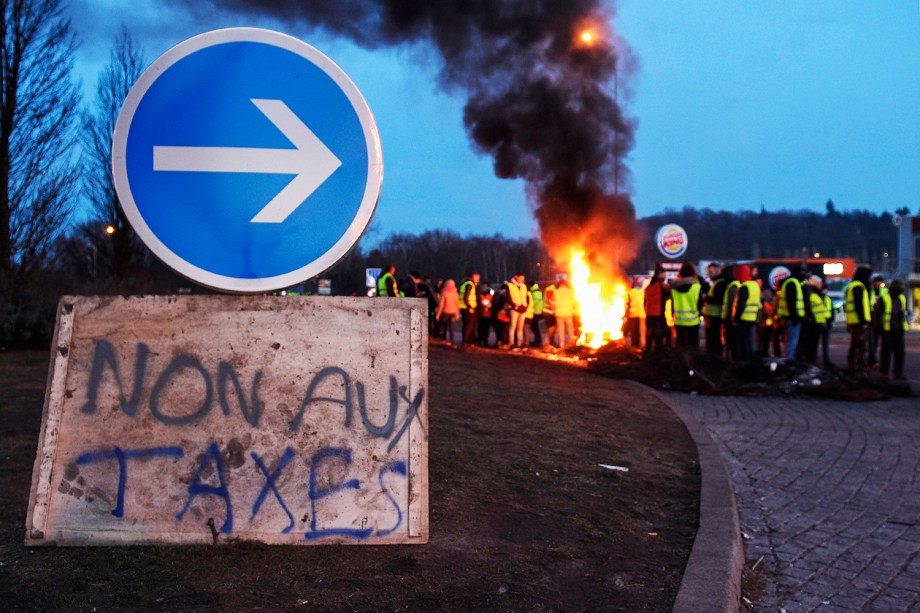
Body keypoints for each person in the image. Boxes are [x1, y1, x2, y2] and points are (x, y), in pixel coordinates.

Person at [876, 278, 909, 380]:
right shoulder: (884, 298)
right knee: (886, 353)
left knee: (900, 352)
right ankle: (883, 373)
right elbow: (878, 314)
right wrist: (880, 327)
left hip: (899, 330)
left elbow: (903, 313)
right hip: (887, 330)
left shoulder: (902, 298)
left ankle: (897, 373)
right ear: (894, 288)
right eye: (899, 288)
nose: (901, 290)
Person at [844, 265, 872, 372]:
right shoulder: (859, 287)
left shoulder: (852, 286)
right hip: (858, 321)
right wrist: (863, 321)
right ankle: (861, 369)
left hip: (853, 320)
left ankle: (852, 366)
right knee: (862, 346)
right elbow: (859, 305)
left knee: (855, 345)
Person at [670, 262, 702, 351]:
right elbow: (700, 305)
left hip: (679, 321)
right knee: (693, 346)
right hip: (693, 322)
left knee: (680, 346)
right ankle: (693, 362)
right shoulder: (697, 287)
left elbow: (672, 305)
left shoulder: (673, 288)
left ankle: (681, 363)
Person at [732, 264, 761, 359]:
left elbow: (741, 305)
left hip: (743, 319)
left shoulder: (744, 286)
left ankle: (744, 363)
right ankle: (750, 361)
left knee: (743, 342)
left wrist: (736, 319)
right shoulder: (755, 285)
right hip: (753, 319)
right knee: (750, 341)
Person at [777, 268, 806, 359]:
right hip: (791, 318)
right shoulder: (792, 283)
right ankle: (789, 364)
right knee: (791, 343)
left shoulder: (789, 282)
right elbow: (792, 302)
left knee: (789, 342)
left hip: (787, 317)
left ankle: (788, 362)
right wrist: (795, 317)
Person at [800, 275, 829, 364]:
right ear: (815, 284)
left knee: (814, 345)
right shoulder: (811, 294)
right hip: (812, 323)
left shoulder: (817, 294)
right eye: (820, 283)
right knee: (811, 344)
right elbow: (808, 307)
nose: (821, 285)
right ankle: (809, 362)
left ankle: (811, 361)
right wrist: (812, 317)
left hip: (818, 322)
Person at [644, 265, 671, 354]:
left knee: (649, 336)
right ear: (660, 274)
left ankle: (647, 355)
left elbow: (644, 303)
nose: (665, 276)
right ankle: (658, 355)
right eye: (664, 274)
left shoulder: (648, 288)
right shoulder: (662, 286)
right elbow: (669, 293)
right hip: (658, 316)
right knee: (661, 336)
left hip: (649, 316)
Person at [702, 262, 726, 356]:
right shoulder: (716, 283)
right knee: (713, 340)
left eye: (711, 272)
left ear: (718, 270)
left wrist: (705, 297)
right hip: (712, 317)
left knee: (714, 340)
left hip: (715, 317)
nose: (709, 274)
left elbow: (717, 299)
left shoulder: (720, 283)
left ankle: (715, 358)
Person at [506, 273, 531, 350]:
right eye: (521, 278)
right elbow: (508, 297)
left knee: (520, 327)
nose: (522, 279)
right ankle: (511, 343)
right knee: (513, 326)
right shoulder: (510, 285)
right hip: (515, 309)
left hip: (523, 308)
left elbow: (527, 296)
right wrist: (514, 306)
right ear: (516, 277)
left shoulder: (524, 286)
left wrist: (526, 306)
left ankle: (519, 343)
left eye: (523, 278)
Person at [867, 274, 886, 369]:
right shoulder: (869, 292)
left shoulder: (885, 292)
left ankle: (875, 361)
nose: (879, 284)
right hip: (871, 320)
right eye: (878, 282)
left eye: (881, 282)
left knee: (877, 342)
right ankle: (872, 361)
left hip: (881, 321)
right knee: (871, 342)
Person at [721, 268, 741, 360]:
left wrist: (728, 318)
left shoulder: (733, 287)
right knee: (731, 342)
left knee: (732, 342)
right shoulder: (733, 286)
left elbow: (730, 305)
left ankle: (733, 360)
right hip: (730, 319)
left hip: (729, 320)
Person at [435, 279, 460, 344]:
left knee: (442, 326)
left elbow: (441, 304)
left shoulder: (444, 292)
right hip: (453, 312)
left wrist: (438, 314)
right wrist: (457, 314)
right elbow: (457, 304)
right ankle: (451, 340)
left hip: (445, 312)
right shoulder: (456, 293)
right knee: (452, 327)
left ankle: (441, 338)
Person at [458, 272, 480, 347]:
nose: (478, 279)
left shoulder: (465, 283)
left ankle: (467, 342)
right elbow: (466, 297)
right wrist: (470, 307)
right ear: (472, 277)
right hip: (468, 308)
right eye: (477, 277)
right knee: (469, 326)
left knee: (467, 326)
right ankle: (465, 342)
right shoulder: (470, 284)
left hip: (464, 308)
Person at [554, 278, 576, 349]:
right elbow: (574, 302)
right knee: (570, 329)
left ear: (559, 284)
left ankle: (561, 344)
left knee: (561, 330)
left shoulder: (556, 292)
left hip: (559, 314)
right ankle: (572, 343)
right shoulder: (570, 291)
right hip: (568, 313)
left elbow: (553, 303)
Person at [625, 276, 645, 349]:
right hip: (639, 314)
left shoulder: (630, 292)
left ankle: (633, 345)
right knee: (637, 331)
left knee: (633, 331)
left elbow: (627, 303)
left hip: (631, 314)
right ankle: (637, 345)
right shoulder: (641, 292)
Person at [477, 283, 493, 347]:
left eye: (486, 287)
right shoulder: (479, 295)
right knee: (480, 328)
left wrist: (490, 306)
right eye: (483, 286)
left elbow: (493, 303)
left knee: (486, 328)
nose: (484, 288)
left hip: (488, 315)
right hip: (481, 314)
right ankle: (480, 340)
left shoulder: (490, 295)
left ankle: (485, 341)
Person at [529, 282, 545, 348]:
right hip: (538, 311)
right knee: (535, 327)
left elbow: (534, 302)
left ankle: (538, 341)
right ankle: (538, 340)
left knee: (535, 327)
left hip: (535, 311)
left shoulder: (534, 292)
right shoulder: (538, 291)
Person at [543, 282, 557, 348]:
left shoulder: (550, 289)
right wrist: (554, 310)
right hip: (548, 312)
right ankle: (546, 343)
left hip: (549, 311)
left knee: (552, 328)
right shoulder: (551, 289)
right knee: (551, 328)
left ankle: (551, 343)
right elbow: (550, 301)